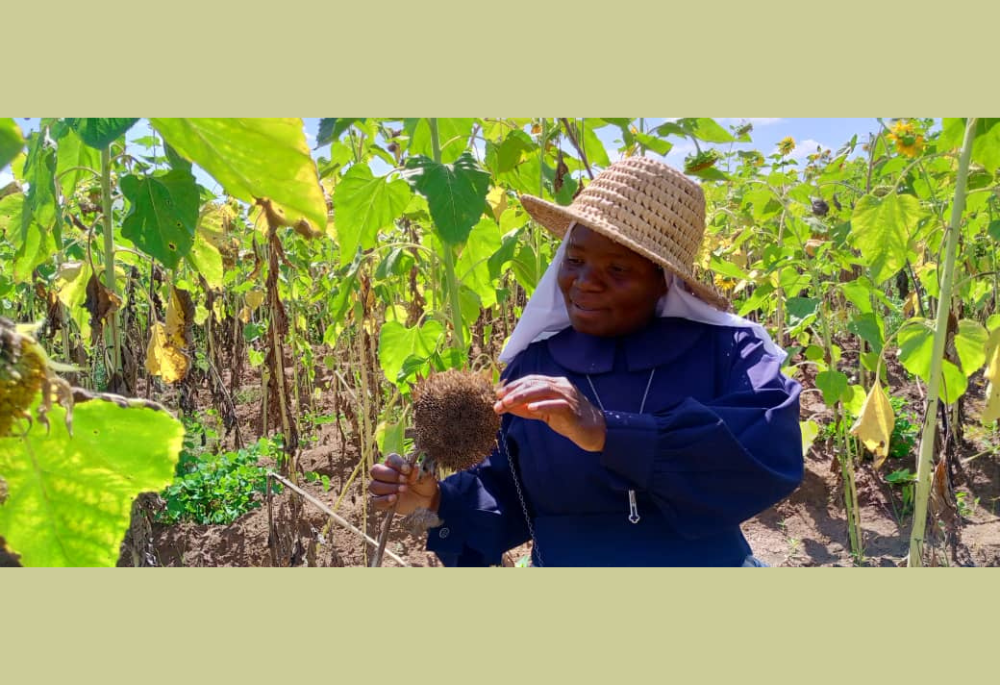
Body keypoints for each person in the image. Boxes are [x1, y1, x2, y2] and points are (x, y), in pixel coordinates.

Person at [369, 156, 803, 567]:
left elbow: (765, 455)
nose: (584, 283)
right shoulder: (535, 363)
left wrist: (606, 431)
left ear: (663, 279)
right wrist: (433, 500)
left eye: (617, 270)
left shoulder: (727, 351)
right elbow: (509, 490)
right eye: (574, 260)